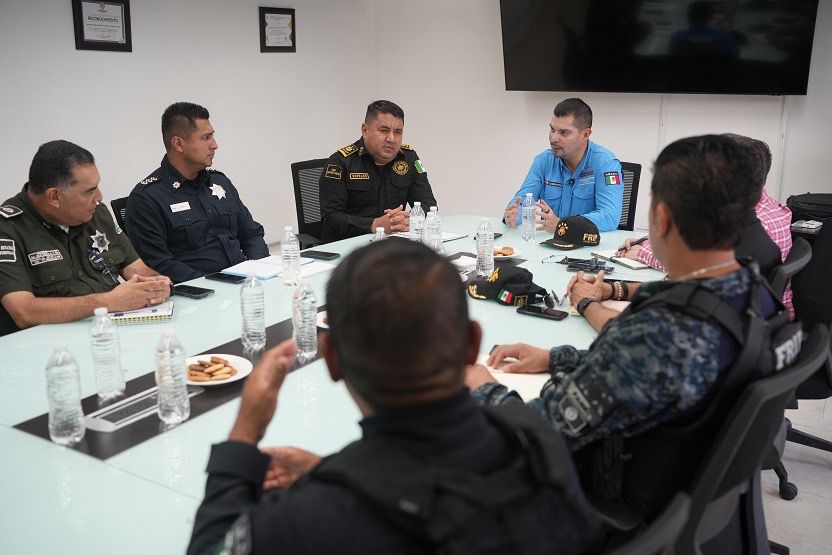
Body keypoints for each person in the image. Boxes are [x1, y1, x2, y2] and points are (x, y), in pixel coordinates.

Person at [188, 239, 603, 554]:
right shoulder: (536, 435)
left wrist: (244, 432)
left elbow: (212, 546)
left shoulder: (314, 521)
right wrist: (328, 471)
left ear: (332, 360)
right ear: (471, 344)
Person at [467, 135, 786, 522]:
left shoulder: (659, 333)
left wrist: (482, 386)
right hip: (688, 502)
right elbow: (643, 372)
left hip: (610, 509)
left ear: (662, 218)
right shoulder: (752, 290)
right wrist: (556, 358)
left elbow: (538, 435)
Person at [0, 140, 171, 336]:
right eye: (90, 191)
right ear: (54, 196)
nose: (99, 197)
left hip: (112, 332)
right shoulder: (8, 229)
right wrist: (108, 302)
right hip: (53, 344)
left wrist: (157, 285)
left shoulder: (97, 214)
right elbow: (24, 312)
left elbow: (138, 270)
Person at [618, 134, 794, 316]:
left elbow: (704, 273)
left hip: (736, 317)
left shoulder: (753, 227)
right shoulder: (765, 210)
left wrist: (644, 253)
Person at [127, 102, 268, 283]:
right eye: (206, 138)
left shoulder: (219, 181)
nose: (214, 145)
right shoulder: (147, 198)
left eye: (212, 136)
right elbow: (160, 264)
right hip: (198, 291)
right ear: (178, 144)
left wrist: (260, 269)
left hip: (245, 282)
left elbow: (251, 234)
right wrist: (215, 285)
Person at [319, 100, 437, 242]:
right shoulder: (340, 163)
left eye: (398, 132)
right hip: (350, 245)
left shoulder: (409, 158)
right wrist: (374, 224)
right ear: (365, 130)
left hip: (393, 243)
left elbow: (428, 204)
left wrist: (408, 219)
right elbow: (331, 220)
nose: (391, 139)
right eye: (384, 130)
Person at [503, 98, 623, 233]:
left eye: (564, 132)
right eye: (552, 129)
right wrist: (514, 215)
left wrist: (563, 225)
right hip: (551, 242)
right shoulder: (543, 161)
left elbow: (609, 217)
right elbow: (522, 200)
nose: (554, 138)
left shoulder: (606, 164)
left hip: (590, 243)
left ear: (585, 134)